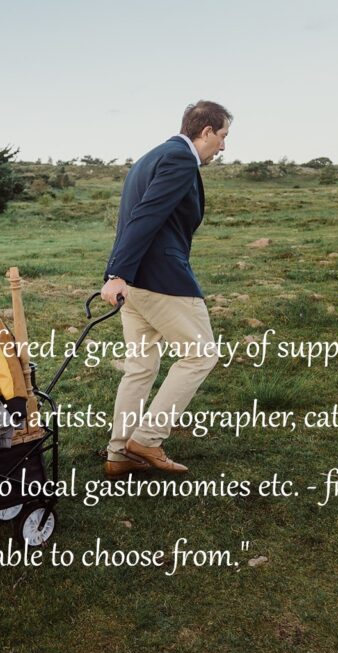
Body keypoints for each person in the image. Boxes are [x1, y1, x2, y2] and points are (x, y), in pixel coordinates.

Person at [100, 100, 232, 477]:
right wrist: (118, 273)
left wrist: (118, 273)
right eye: (222, 137)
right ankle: (148, 439)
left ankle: (119, 453)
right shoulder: (179, 159)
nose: (222, 147)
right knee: (201, 355)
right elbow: (146, 215)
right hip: (161, 280)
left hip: (135, 284)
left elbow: (135, 217)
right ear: (205, 131)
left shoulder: (150, 157)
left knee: (140, 367)